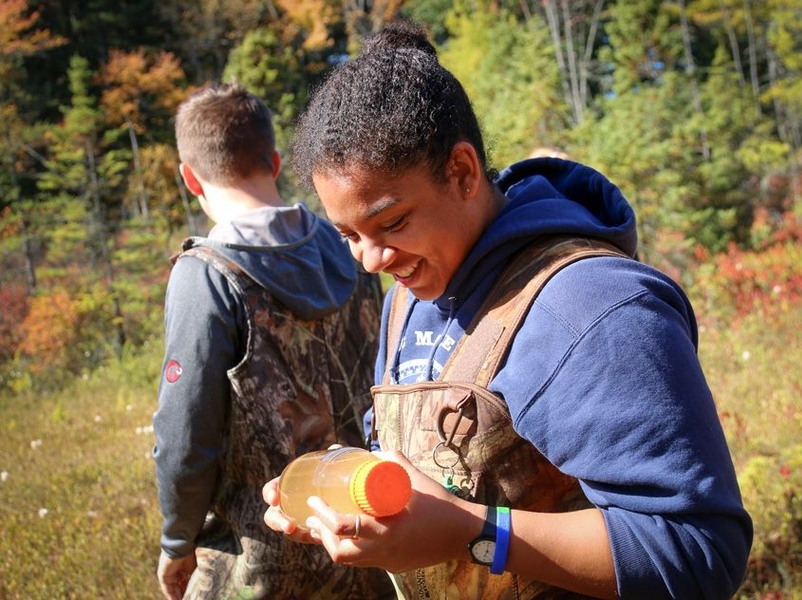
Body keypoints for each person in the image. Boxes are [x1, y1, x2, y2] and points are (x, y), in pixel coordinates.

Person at [263, 20, 753, 600]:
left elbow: (700, 553)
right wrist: (350, 489)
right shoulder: (405, 300)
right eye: (348, 234)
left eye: (391, 223)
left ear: (463, 172)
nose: (370, 260)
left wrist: (473, 535)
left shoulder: (592, 307)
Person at [152, 83, 393, 599]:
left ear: (190, 177)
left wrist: (177, 542)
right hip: (363, 536)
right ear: (276, 161)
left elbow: (186, 431)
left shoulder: (207, 276)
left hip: (259, 560)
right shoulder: (350, 241)